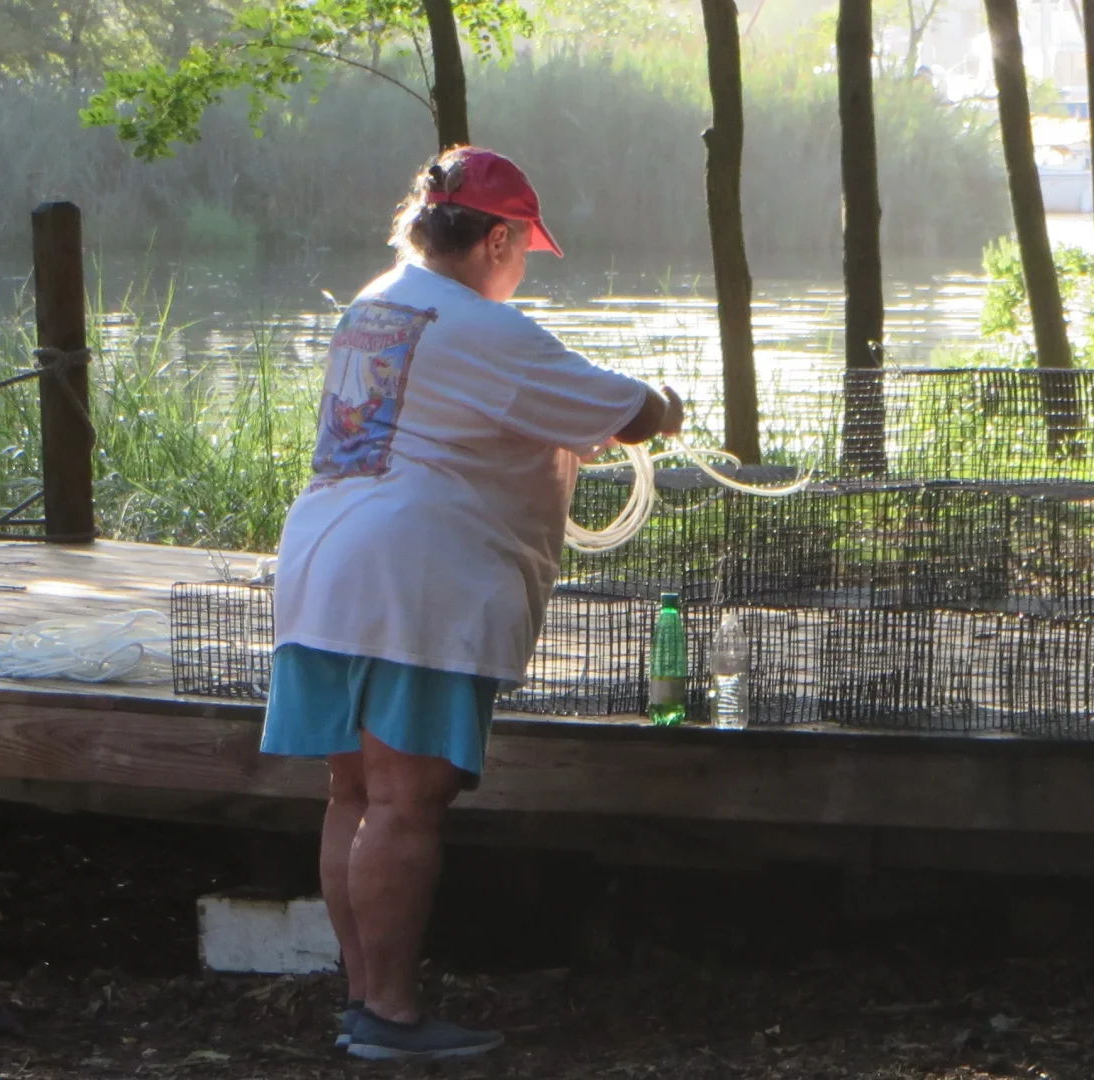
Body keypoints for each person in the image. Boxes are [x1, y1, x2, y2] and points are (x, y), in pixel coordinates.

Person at [259, 146, 681, 1061]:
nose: (524, 263)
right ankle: (394, 1020)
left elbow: (447, 420)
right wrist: (669, 402)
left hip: (325, 566)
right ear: (496, 237)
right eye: (525, 245)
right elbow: (634, 412)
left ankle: (364, 998)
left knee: (352, 792)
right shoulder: (488, 329)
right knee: (407, 801)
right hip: (415, 581)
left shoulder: (378, 302)